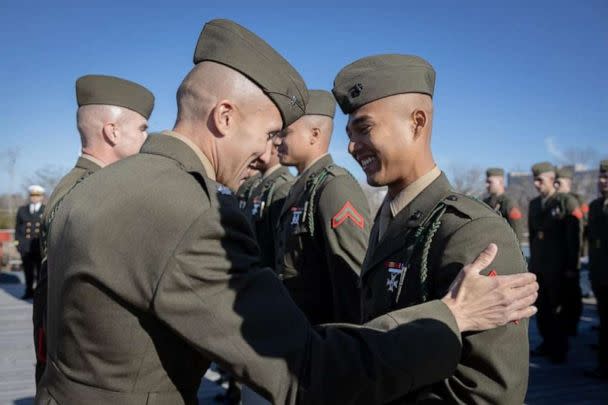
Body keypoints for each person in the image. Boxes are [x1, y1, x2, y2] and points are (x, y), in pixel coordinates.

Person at [36, 19, 538, 405]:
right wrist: (450, 316)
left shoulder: (94, 188)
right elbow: (306, 372)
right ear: (224, 117)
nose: (267, 154)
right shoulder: (193, 210)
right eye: (268, 134)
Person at [333, 54, 531, 404]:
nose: (351, 146)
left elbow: (486, 393)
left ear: (416, 123)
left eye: (364, 129)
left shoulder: (471, 232)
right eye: (349, 134)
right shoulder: (387, 216)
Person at [33, 74, 154, 385]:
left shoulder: (79, 185)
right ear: (112, 131)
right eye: (142, 128)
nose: (146, 138)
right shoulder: (92, 192)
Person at [273, 90, 370, 324]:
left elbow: (351, 283)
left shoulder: (334, 186)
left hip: (322, 340)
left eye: (285, 133)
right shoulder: (302, 187)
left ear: (314, 135)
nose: (277, 140)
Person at [528, 162, 582, 363]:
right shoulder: (534, 204)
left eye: (540, 180)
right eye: (535, 180)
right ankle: (546, 343)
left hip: (558, 267)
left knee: (558, 308)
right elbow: (533, 235)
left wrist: (571, 266)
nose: (536, 184)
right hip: (539, 266)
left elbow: (573, 238)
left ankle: (559, 348)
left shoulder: (565, 202)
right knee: (542, 308)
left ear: (552, 180)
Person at [245, 140, 294, 268]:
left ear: (276, 147)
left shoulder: (282, 186)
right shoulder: (261, 185)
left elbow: (279, 249)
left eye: (261, 141)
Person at [555, 166, 585, 336]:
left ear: (568, 183)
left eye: (560, 182)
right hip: (559, 256)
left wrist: (578, 258)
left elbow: (581, 230)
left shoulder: (575, 200)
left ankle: (572, 323)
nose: (556, 186)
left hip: (574, 255)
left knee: (573, 293)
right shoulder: (555, 200)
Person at [585, 160, 608, 379]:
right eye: (601, 177)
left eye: (607, 177)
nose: (602, 181)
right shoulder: (595, 206)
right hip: (601, 274)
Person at [15, 185, 45, 299]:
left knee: (40, 271)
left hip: (39, 246)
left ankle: (39, 293)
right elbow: (17, 228)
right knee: (28, 271)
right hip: (25, 246)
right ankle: (28, 291)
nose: (34, 198)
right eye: (32, 195)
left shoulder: (45, 209)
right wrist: (17, 243)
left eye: (37, 195)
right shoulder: (22, 210)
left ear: (41, 197)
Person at [484, 167, 525, 242]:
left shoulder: (509, 203)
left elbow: (517, 231)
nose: (486, 185)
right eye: (486, 182)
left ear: (500, 182)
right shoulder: (485, 202)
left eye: (489, 182)